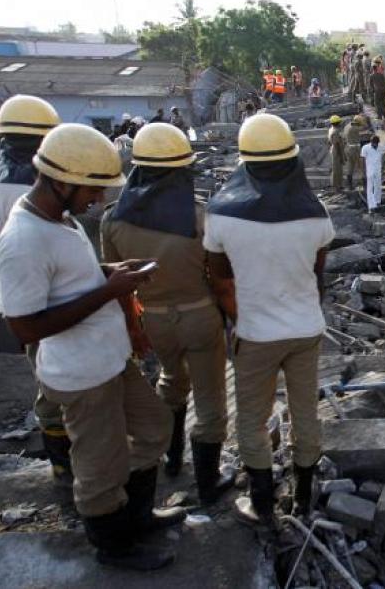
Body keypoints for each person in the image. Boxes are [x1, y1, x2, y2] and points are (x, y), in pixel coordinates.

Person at [0, 123, 184, 570]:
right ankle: (113, 545)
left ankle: (136, 515)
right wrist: (108, 291)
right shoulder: (21, 240)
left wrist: (111, 271)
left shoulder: (58, 219)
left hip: (109, 359)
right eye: (92, 189)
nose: (98, 199)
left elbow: (68, 277)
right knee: (100, 464)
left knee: (153, 426)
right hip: (80, 374)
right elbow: (25, 328)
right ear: (61, 182)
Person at [203, 114, 333, 528]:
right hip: (306, 330)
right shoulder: (317, 215)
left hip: (256, 334)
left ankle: (261, 505)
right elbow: (317, 274)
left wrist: (241, 318)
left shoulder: (221, 216)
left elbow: (219, 279)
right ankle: (303, 498)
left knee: (252, 418)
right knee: (305, 412)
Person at [100, 123, 234, 506]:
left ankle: (172, 459)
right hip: (199, 316)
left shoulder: (113, 221)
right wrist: (234, 319)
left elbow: (117, 284)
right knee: (210, 398)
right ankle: (208, 483)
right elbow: (219, 278)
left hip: (154, 319)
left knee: (171, 380)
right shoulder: (199, 217)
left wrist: (133, 329)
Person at [0, 95, 71, 485]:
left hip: (11, 295)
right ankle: (67, 467)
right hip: (45, 300)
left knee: (45, 374)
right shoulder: (29, 190)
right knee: (54, 384)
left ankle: (64, 462)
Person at [360, 135, 385, 214]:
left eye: (376, 144)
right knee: (370, 188)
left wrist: (384, 166)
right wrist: (363, 172)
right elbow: (362, 160)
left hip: (378, 170)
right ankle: (371, 206)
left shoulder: (381, 147)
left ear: (378, 143)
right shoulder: (365, 148)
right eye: (374, 143)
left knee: (378, 187)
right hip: (369, 170)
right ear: (371, 142)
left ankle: (377, 202)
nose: (375, 145)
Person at [343, 115, 366, 191]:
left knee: (350, 166)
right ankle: (364, 185)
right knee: (361, 166)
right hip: (355, 148)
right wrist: (363, 122)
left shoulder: (347, 126)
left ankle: (349, 185)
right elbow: (364, 127)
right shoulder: (354, 128)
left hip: (348, 147)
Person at [327, 115, 347, 192]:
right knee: (337, 170)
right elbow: (337, 145)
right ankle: (337, 186)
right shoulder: (335, 132)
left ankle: (339, 185)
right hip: (336, 152)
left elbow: (329, 142)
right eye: (339, 122)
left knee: (338, 169)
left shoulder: (331, 129)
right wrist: (341, 156)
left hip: (334, 150)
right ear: (337, 123)